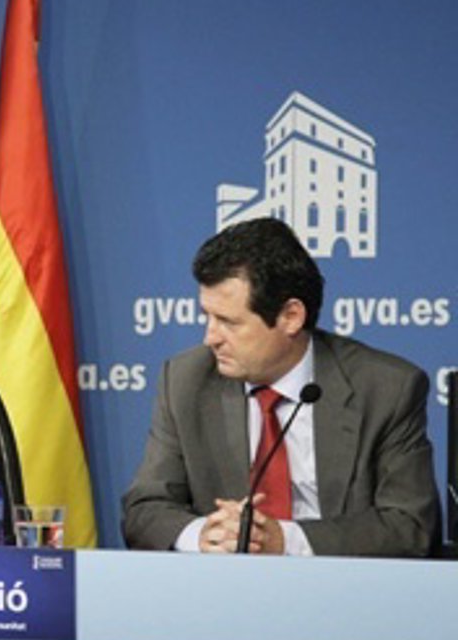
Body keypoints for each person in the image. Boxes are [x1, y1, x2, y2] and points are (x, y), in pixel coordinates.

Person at [122, 217, 439, 557]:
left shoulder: (386, 389)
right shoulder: (186, 380)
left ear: (291, 317)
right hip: (224, 586)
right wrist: (204, 535)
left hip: (341, 583)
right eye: (207, 316)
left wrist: (284, 541)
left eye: (228, 322)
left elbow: (409, 525)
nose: (210, 338)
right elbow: (145, 509)